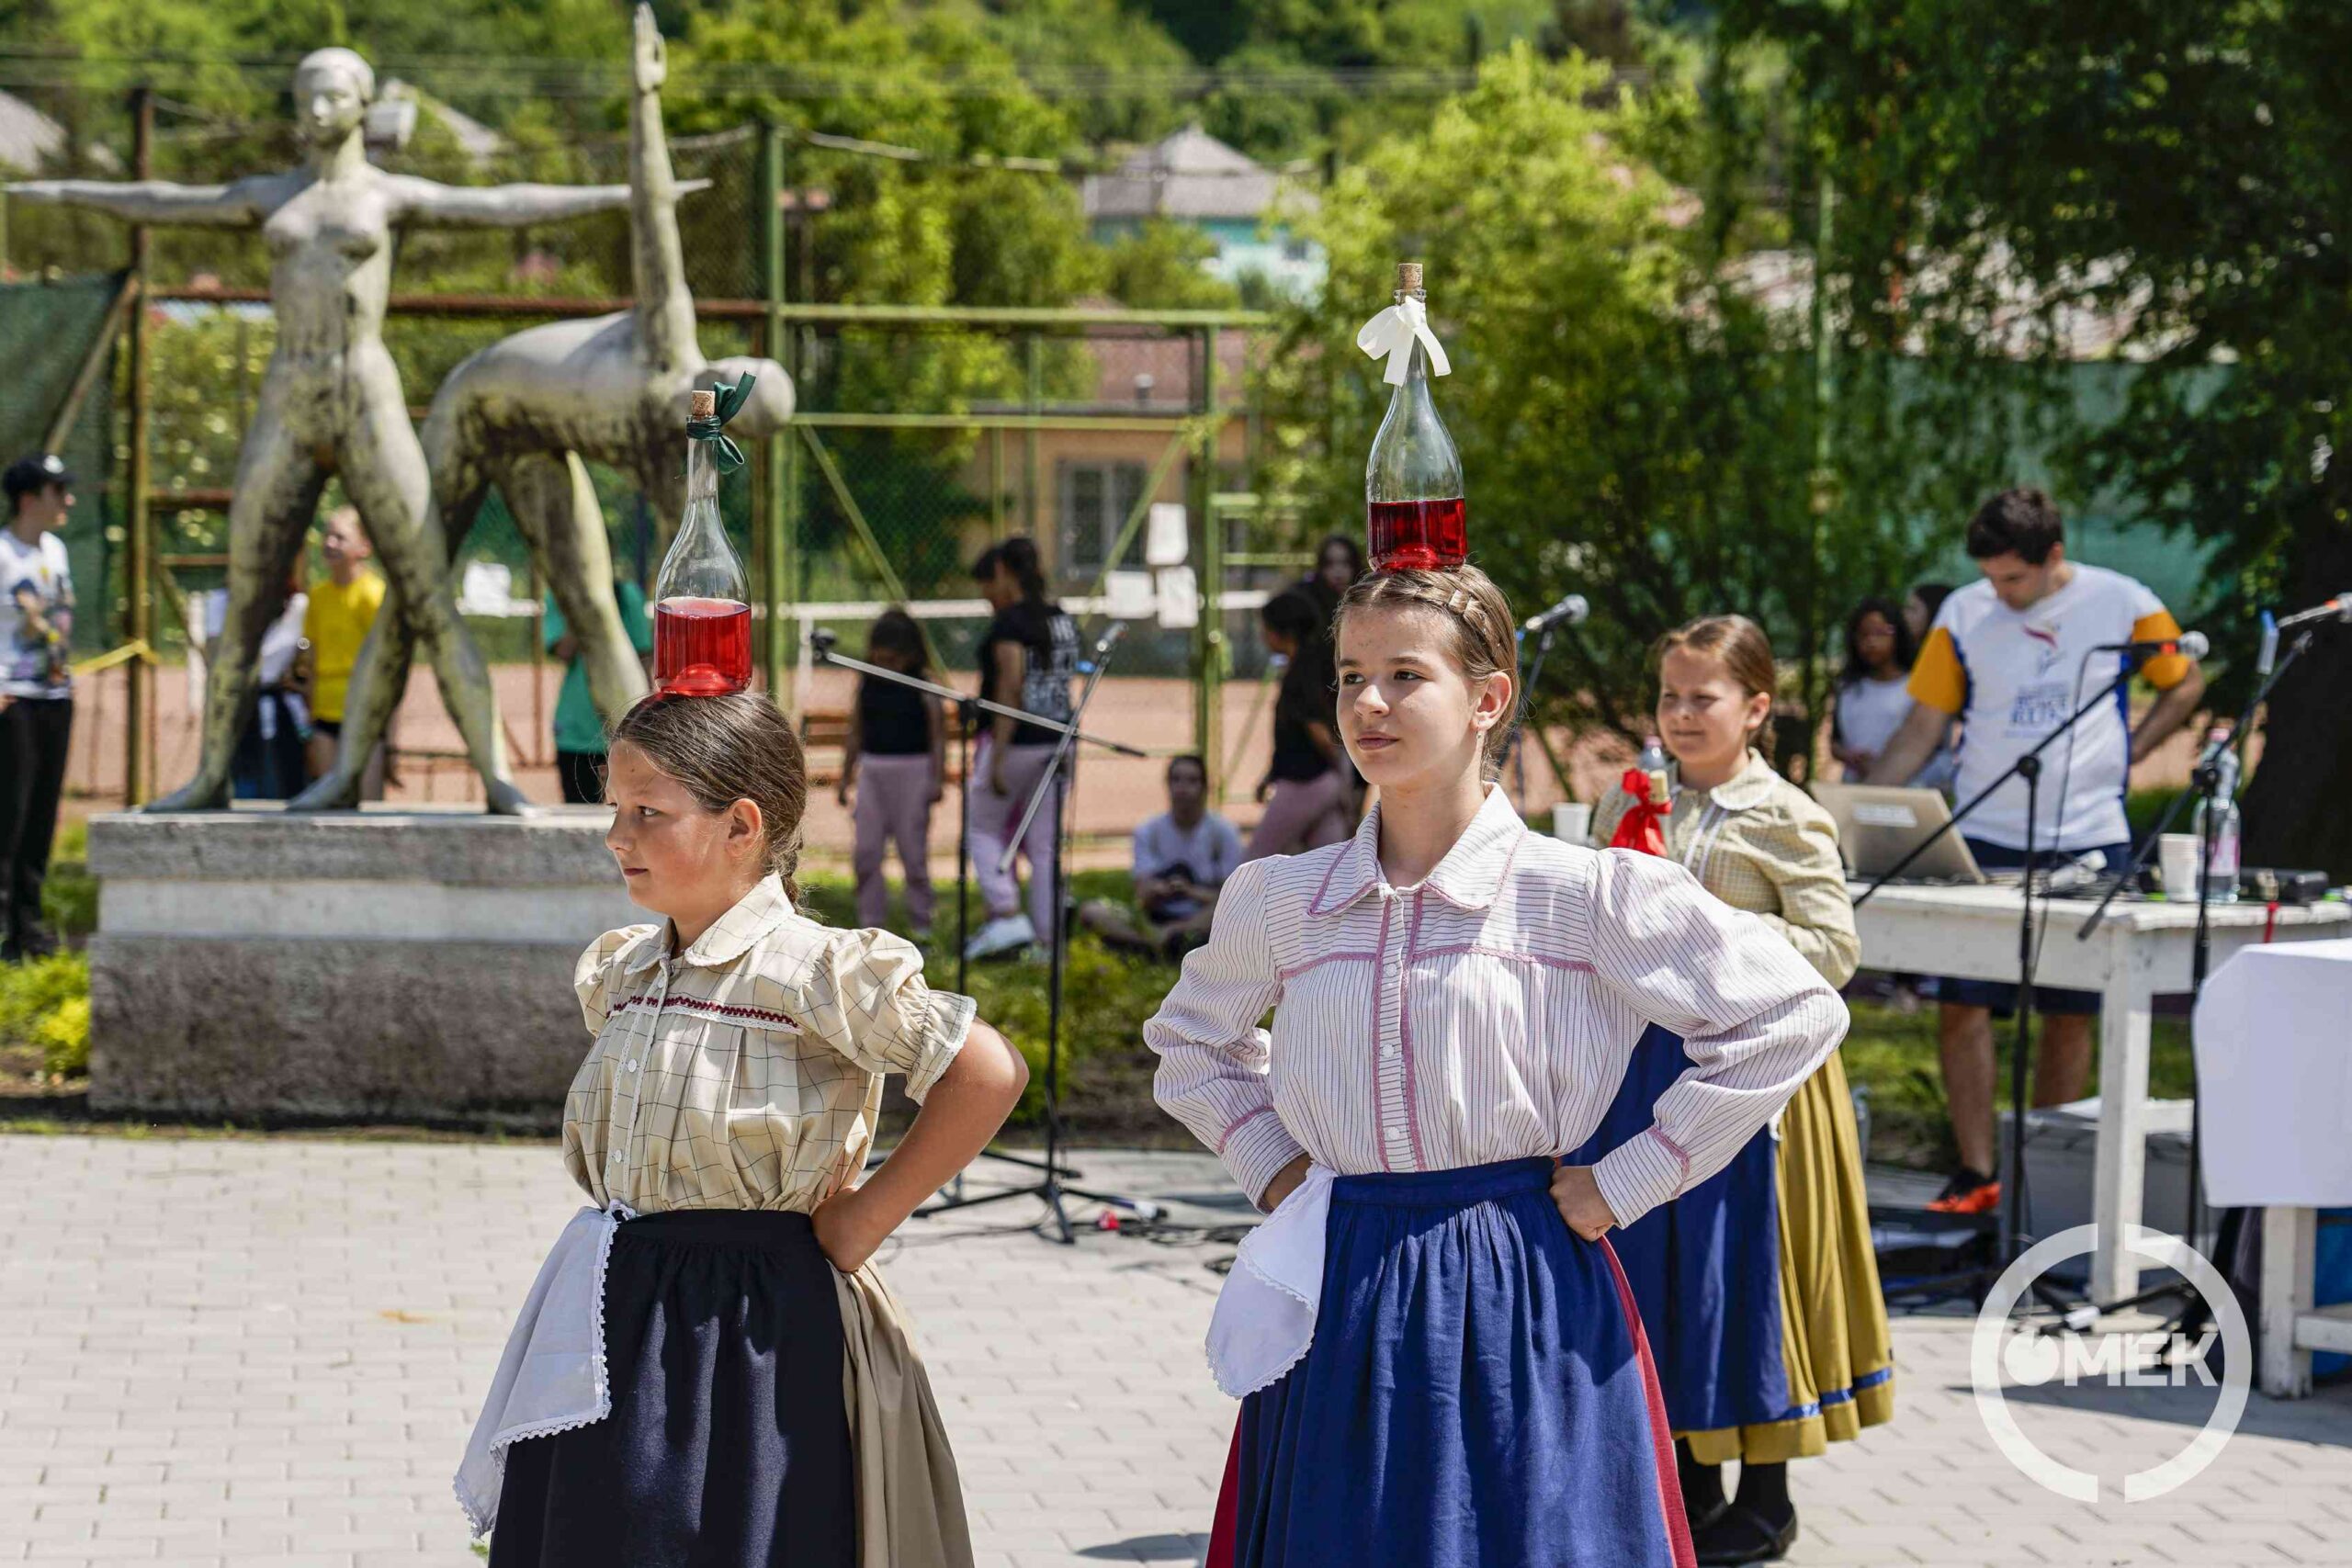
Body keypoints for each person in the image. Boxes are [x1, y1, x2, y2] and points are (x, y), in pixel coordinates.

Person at [1148, 564, 1848, 1568]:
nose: (1368, 703)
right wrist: (1275, 1164)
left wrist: (1626, 1179)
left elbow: (1791, 1011)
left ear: (1488, 698)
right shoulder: (1283, 899)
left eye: (1404, 675)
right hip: (1338, 1284)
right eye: (1350, 676)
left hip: (1521, 1290)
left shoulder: (1582, 892)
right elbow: (1190, 1041)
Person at [462, 689, 1027, 1567]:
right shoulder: (630, 968)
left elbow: (985, 1071)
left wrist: (863, 1217)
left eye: (649, 811)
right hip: (620, 1313)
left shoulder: (814, 970)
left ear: (742, 825)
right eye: (615, 807)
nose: (619, 835)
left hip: (749, 1331)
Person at [1589, 616, 1889, 1566]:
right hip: (1648, 1075)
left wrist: (1709, 939)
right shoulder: (1628, 801)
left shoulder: (1785, 815)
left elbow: (1833, 950)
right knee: (1668, 1278)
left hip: (1760, 1085)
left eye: (1703, 698)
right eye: (1669, 696)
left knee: (1748, 1284)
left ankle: (1766, 1499)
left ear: (1755, 709)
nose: (1680, 714)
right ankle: (1685, 1484)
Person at [1869, 489, 2207, 1213]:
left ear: (2054, 555)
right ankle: (1976, 1173)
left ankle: (2042, 1174)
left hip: (2089, 836)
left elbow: (2185, 684)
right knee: (1960, 1004)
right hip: (1985, 833)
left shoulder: (2126, 602)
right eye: (1990, 577)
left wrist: (2133, 754)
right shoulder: (1963, 612)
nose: (2000, 592)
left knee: (2070, 1011)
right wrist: (1859, 806)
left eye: (2013, 579)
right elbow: (1923, 727)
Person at [963, 538, 1078, 961]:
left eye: (989, 582)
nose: (986, 594)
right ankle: (1049, 944)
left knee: (981, 826)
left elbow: (1010, 686)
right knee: (1046, 848)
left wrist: (997, 754)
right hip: (1057, 742)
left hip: (1016, 745)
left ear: (1005, 573)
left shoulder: (1010, 624)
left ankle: (1007, 913)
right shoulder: (1061, 618)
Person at [0, 455, 76, 962]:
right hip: (13, 698)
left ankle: (29, 927)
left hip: (54, 695)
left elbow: (60, 617)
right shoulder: (3, 554)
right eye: (57, 491)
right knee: (11, 812)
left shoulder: (58, 549)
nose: (67, 501)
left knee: (44, 813)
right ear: (29, 500)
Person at [840, 607, 944, 939]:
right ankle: (871, 923)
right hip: (873, 771)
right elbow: (855, 731)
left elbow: (937, 735)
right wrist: (846, 776)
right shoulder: (868, 684)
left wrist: (937, 778)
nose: (887, 667)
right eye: (881, 659)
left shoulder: (924, 686)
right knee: (866, 852)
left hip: (913, 773)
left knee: (913, 854)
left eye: (894, 660)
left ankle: (922, 920)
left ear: (910, 656)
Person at [1078, 754, 1244, 958]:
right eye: (1176, 780)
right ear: (1167, 785)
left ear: (1205, 787)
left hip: (1203, 918)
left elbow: (1234, 898)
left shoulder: (1223, 832)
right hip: (1156, 919)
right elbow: (1141, 897)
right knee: (1093, 911)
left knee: (1235, 913)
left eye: (1192, 781)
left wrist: (1191, 892)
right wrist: (1159, 890)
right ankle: (1154, 945)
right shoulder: (1149, 831)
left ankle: (1162, 943)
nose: (1183, 788)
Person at [1246, 589, 1351, 860]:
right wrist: (1271, 774)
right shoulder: (1306, 668)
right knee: (1325, 871)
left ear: (1285, 632)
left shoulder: (1300, 677)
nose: (1263, 635)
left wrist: (1343, 779)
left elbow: (1319, 733)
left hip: (1307, 782)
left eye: (1267, 628)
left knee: (1253, 864)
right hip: (1319, 782)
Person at [301, 507, 390, 799]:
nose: (330, 543)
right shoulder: (317, 597)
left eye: (340, 537)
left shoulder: (374, 595)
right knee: (330, 803)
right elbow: (311, 659)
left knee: (370, 808)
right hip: (326, 715)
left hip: (365, 715)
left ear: (364, 547)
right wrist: (309, 720)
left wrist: (392, 733)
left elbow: (388, 663)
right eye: (327, 536)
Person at [547, 575, 653, 806]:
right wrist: (583, 606)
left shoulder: (627, 595)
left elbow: (643, 654)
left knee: (626, 808)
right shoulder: (559, 596)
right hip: (575, 729)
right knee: (577, 809)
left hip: (621, 723)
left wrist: (649, 713)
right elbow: (564, 651)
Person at [1831, 596, 1937, 785]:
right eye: (1863, 634)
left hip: (1906, 785)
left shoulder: (1916, 686)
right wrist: (1849, 756)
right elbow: (1835, 741)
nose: (1871, 642)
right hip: (1855, 783)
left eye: (1880, 633)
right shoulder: (1847, 688)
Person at [226, 572, 311, 800]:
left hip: (285, 711)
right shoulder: (228, 603)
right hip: (245, 713)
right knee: (247, 786)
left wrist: (302, 654)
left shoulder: (299, 606)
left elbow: (307, 642)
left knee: (285, 783)